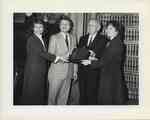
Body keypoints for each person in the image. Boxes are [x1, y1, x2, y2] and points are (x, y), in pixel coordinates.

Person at [82, 21, 128, 105]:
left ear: (117, 31)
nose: (107, 30)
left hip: (110, 77)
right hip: (109, 74)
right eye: (107, 28)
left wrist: (90, 62)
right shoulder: (112, 42)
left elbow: (104, 61)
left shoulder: (116, 43)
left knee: (108, 100)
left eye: (111, 28)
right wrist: (94, 58)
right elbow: (107, 59)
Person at [21, 19, 60, 105]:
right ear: (33, 28)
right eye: (36, 27)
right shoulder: (32, 39)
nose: (38, 29)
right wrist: (57, 58)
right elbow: (41, 53)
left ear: (43, 28)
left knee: (38, 92)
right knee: (32, 92)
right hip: (33, 71)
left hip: (39, 70)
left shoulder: (42, 39)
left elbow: (44, 53)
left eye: (41, 27)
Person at [47, 15, 78, 105]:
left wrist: (75, 71)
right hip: (56, 73)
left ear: (70, 26)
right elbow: (50, 55)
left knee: (63, 99)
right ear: (59, 26)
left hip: (69, 72)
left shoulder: (73, 37)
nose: (64, 26)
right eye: (62, 24)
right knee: (52, 99)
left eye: (67, 24)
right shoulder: (54, 37)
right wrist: (62, 58)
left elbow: (75, 57)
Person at [78, 19, 107, 105]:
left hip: (94, 71)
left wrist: (95, 57)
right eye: (89, 25)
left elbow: (103, 56)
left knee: (92, 95)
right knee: (82, 94)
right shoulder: (82, 38)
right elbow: (79, 54)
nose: (90, 27)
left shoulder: (103, 39)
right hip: (82, 70)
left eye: (92, 25)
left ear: (98, 28)